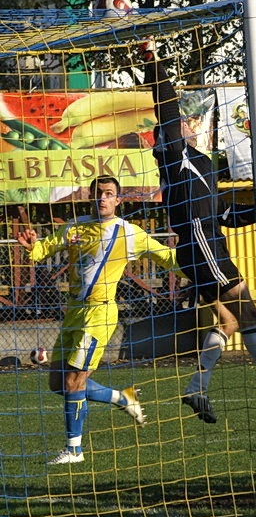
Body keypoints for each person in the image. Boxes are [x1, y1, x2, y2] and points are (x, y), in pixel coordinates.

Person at [134, 36, 256, 424]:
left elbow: (227, 214)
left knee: (230, 322)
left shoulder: (205, 163)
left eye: (185, 119)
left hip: (204, 243)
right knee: (249, 314)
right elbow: (164, 102)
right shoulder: (174, 153)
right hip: (202, 245)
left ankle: (197, 388)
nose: (185, 121)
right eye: (179, 121)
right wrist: (153, 60)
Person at [17, 176, 182, 465]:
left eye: (108, 194)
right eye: (98, 194)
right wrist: (33, 245)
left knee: (74, 380)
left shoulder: (128, 232)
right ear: (90, 197)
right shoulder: (74, 227)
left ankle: (74, 451)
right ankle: (123, 398)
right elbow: (45, 248)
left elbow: (167, 257)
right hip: (73, 314)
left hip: (100, 314)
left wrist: (203, 272)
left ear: (118, 200)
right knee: (58, 384)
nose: (102, 199)